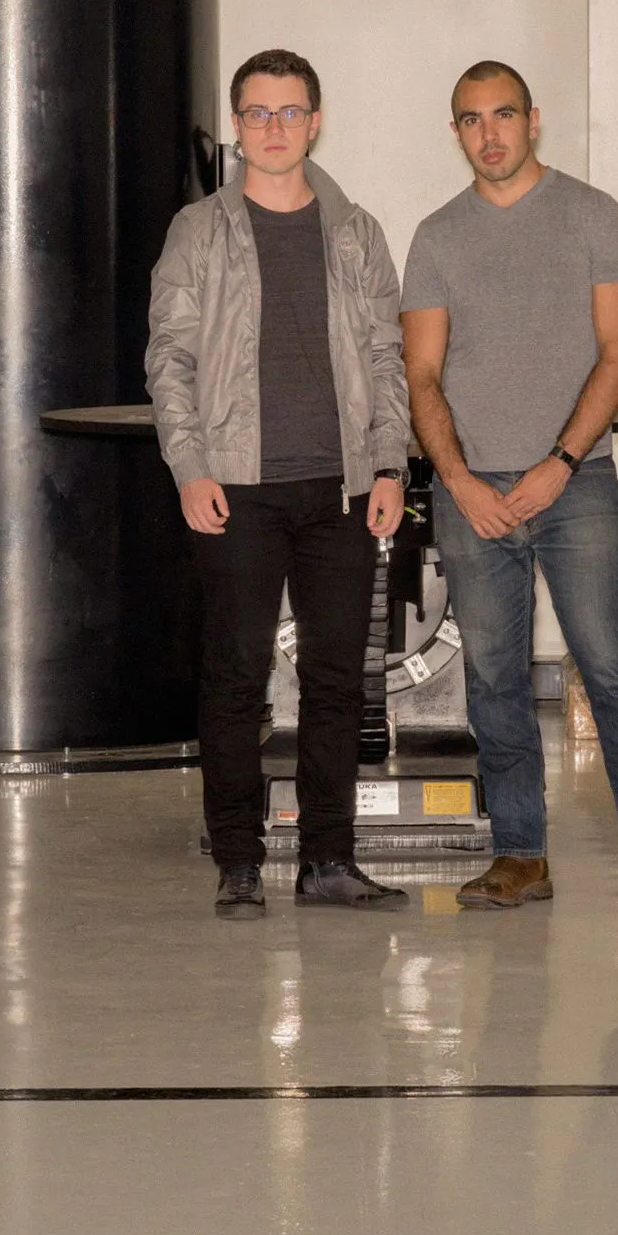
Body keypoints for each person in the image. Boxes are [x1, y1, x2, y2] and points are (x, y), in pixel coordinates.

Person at [400, 60, 618, 918]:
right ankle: (519, 855)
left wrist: (557, 463)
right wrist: (458, 481)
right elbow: (420, 373)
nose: (488, 133)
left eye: (503, 115)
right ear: (455, 133)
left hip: (577, 485)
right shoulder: (436, 237)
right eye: (470, 120)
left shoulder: (595, 217)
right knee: (492, 677)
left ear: (534, 120)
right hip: (471, 494)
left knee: (608, 666)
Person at [146, 48, 413, 918]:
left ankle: (327, 861)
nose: (273, 128)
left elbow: (385, 358)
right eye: (256, 113)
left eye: (289, 112)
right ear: (236, 125)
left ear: (317, 119)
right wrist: (190, 468)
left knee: (338, 680)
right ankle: (237, 862)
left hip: (339, 491)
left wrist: (387, 464)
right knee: (234, 678)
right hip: (237, 490)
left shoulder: (356, 232)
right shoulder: (199, 232)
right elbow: (170, 361)